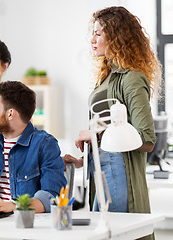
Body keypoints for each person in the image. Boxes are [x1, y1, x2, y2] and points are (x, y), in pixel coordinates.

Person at [63, 6, 161, 222]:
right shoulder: (107, 78)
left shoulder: (132, 78)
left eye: (98, 33)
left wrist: (95, 135)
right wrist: (82, 161)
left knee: (112, 232)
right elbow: (106, 139)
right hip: (101, 168)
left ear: (116, 36)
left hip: (118, 170)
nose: (92, 40)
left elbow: (147, 139)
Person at [0, 81, 67, 215]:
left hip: (24, 223)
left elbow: (52, 196)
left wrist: (14, 205)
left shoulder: (45, 144)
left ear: (10, 114)